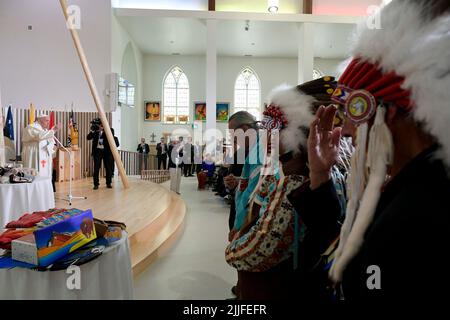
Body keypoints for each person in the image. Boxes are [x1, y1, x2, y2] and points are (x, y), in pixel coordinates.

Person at [303, 0, 450, 304]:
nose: (345, 131)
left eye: (353, 114)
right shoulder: (411, 185)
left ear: (388, 113)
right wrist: (320, 176)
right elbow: (342, 257)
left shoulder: (420, 210)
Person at [226, 77, 341, 300]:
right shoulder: (294, 168)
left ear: (293, 133)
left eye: (272, 126)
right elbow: (260, 192)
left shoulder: (295, 180)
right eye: (264, 126)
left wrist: (232, 250)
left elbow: (259, 249)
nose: (265, 134)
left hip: (280, 286)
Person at [87, 120, 119, 190]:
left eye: (101, 124)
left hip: (106, 152)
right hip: (97, 151)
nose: (100, 125)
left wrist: (103, 130)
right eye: (99, 124)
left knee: (108, 168)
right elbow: (88, 137)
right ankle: (96, 184)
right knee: (96, 168)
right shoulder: (95, 130)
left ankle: (108, 183)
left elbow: (111, 136)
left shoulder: (110, 129)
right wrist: (92, 131)